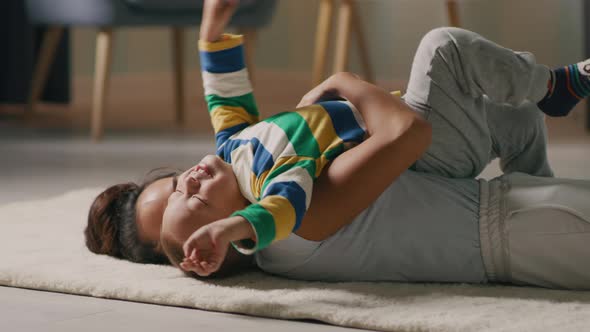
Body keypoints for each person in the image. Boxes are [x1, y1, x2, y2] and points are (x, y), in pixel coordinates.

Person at [86, 0, 590, 289]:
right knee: (443, 48)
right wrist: (344, 81)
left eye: (177, 182)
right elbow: (276, 213)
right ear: (223, 239)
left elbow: (225, 96)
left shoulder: (235, 148)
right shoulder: (282, 199)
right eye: (192, 201)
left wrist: (212, 30)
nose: (189, 181)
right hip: (495, 209)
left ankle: (537, 161)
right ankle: (558, 86)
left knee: (517, 119)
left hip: (500, 202)